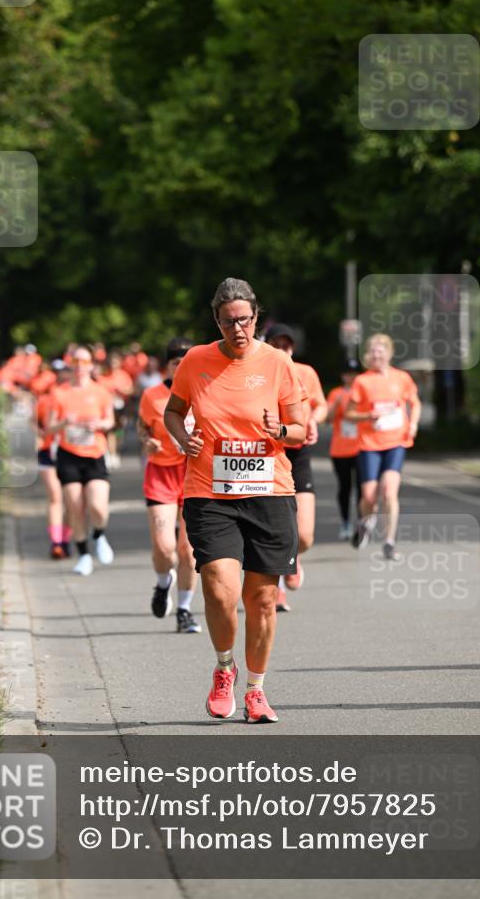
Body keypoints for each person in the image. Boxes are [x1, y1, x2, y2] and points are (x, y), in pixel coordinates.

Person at [164, 278, 306, 724]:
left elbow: (300, 430)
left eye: (244, 320)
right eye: (228, 322)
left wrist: (278, 430)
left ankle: (256, 691)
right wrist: (183, 437)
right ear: (217, 321)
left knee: (262, 599)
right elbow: (173, 409)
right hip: (211, 491)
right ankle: (224, 669)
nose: (237, 329)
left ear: (256, 318)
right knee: (220, 589)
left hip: (269, 492)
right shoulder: (196, 360)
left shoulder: (279, 363)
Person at [138, 338, 202, 634]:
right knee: (165, 548)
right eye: (177, 362)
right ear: (168, 365)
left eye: (187, 361)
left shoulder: (204, 389)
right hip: (162, 476)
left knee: (188, 551)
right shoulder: (152, 395)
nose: (182, 367)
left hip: (195, 477)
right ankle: (164, 583)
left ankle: (185, 610)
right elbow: (143, 426)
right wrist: (147, 441)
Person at [264, 324, 326, 611]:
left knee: (304, 535)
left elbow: (321, 405)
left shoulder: (306, 373)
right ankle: (275, 590)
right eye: (276, 344)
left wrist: (313, 420)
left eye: (286, 346)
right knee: (273, 530)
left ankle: (294, 555)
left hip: (298, 455)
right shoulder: (260, 372)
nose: (282, 351)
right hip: (269, 454)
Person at [343, 334, 421, 560]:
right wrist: (368, 415)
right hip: (369, 445)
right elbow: (349, 414)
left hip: (396, 442)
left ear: (389, 352)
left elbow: (415, 403)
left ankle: (389, 541)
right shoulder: (362, 381)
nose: (377, 354)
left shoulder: (402, 378)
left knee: (389, 491)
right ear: (369, 355)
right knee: (369, 497)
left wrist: (413, 423)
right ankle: (365, 522)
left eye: (381, 350)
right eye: (373, 351)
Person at [47, 345, 116, 576]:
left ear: (91, 366)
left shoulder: (101, 391)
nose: (79, 367)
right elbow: (49, 426)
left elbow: (110, 421)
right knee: (75, 507)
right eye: (75, 362)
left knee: (98, 507)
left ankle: (99, 534)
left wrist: (100, 425)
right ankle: (84, 555)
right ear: (70, 364)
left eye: (84, 362)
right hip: (69, 455)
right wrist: (64, 423)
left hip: (95, 454)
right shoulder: (59, 393)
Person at [36, 359, 72, 559]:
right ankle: (56, 542)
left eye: (66, 371)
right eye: (59, 372)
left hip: (74, 452)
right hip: (49, 451)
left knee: (71, 501)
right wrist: (41, 434)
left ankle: (66, 539)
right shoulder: (46, 398)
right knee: (56, 498)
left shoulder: (79, 396)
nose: (63, 375)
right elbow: (34, 421)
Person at [327, 359, 361, 540]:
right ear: (343, 375)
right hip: (340, 449)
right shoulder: (336, 393)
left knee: (363, 488)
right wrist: (337, 403)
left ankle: (361, 523)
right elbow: (329, 419)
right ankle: (346, 522)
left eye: (354, 373)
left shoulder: (363, 392)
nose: (351, 377)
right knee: (345, 488)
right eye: (348, 373)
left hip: (362, 447)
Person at [98, 351, 134, 469]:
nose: (113, 364)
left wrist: (122, 391)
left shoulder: (124, 375)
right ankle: (111, 454)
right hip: (109, 408)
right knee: (110, 431)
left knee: (120, 432)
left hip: (121, 407)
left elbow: (131, 390)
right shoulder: (103, 376)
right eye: (111, 361)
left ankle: (115, 451)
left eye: (115, 361)